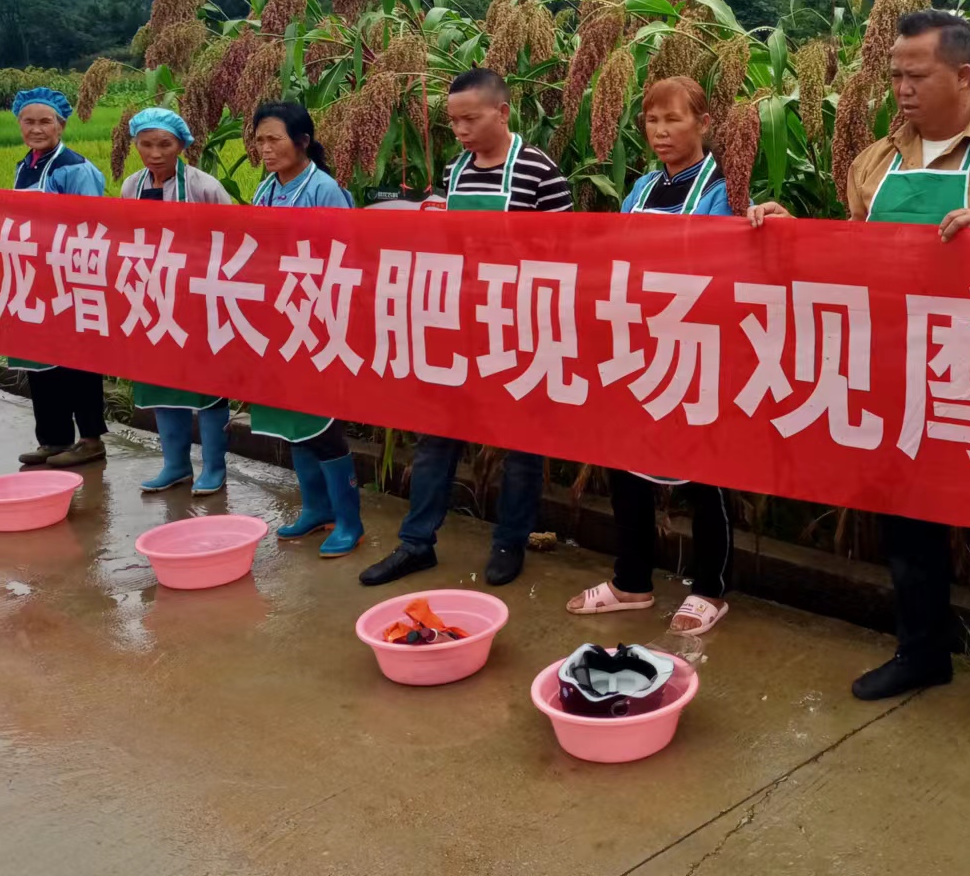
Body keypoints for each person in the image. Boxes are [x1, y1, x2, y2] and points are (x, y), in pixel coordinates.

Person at [749, 9, 970, 756]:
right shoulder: (876, 160)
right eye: (894, 74)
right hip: (896, 377)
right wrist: (790, 231)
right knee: (907, 534)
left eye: (916, 75)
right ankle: (922, 653)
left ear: (963, 75)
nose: (900, 87)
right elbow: (849, 256)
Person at [358, 67, 571, 589]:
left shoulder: (540, 172)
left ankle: (510, 541)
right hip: (461, 328)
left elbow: (568, 253)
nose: (459, 131)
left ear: (502, 112)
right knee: (437, 437)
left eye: (470, 119)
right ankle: (416, 543)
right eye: (453, 122)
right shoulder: (457, 170)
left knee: (521, 445)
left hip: (519, 329)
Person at [566, 76, 734, 636]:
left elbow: (729, 266)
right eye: (652, 121)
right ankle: (631, 580)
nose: (660, 132)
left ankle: (710, 588)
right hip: (639, 343)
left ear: (703, 123)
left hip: (699, 345)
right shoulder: (640, 188)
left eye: (674, 120)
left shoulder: (722, 189)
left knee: (706, 471)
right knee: (626, 460)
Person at [245, 102, 363, 558]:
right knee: (291, 420)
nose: (265, 148)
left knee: (320, 423)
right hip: (278, 320)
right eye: (259, 140)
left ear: (303, 142)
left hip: (317, 321)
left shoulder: (324, 190)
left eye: (274, 139)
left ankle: (349, 521)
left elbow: (345, 257)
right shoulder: (266, 189)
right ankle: (316, 508)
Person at [120, 109, 236, 495]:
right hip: (153, 299)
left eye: (164, 145)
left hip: (198, 299)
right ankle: (175, 465)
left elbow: (232, 240)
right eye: (146, 145)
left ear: (182, 145)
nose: (155, 154)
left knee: (207, 384)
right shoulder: (131, 186)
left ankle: (214, 467)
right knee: (161, 380)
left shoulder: (204, 187)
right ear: (135, 145)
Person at [8, 88, 111, 469]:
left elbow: (91, 225)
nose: (36, 129)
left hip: (71, 278)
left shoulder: (74, 168)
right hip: (34, 278)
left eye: (45, 122)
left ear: (61, 125)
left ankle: (90, 439)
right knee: (40, 359)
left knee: (78, 359)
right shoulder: (25, 166)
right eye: (28, 121)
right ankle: (52, 438)